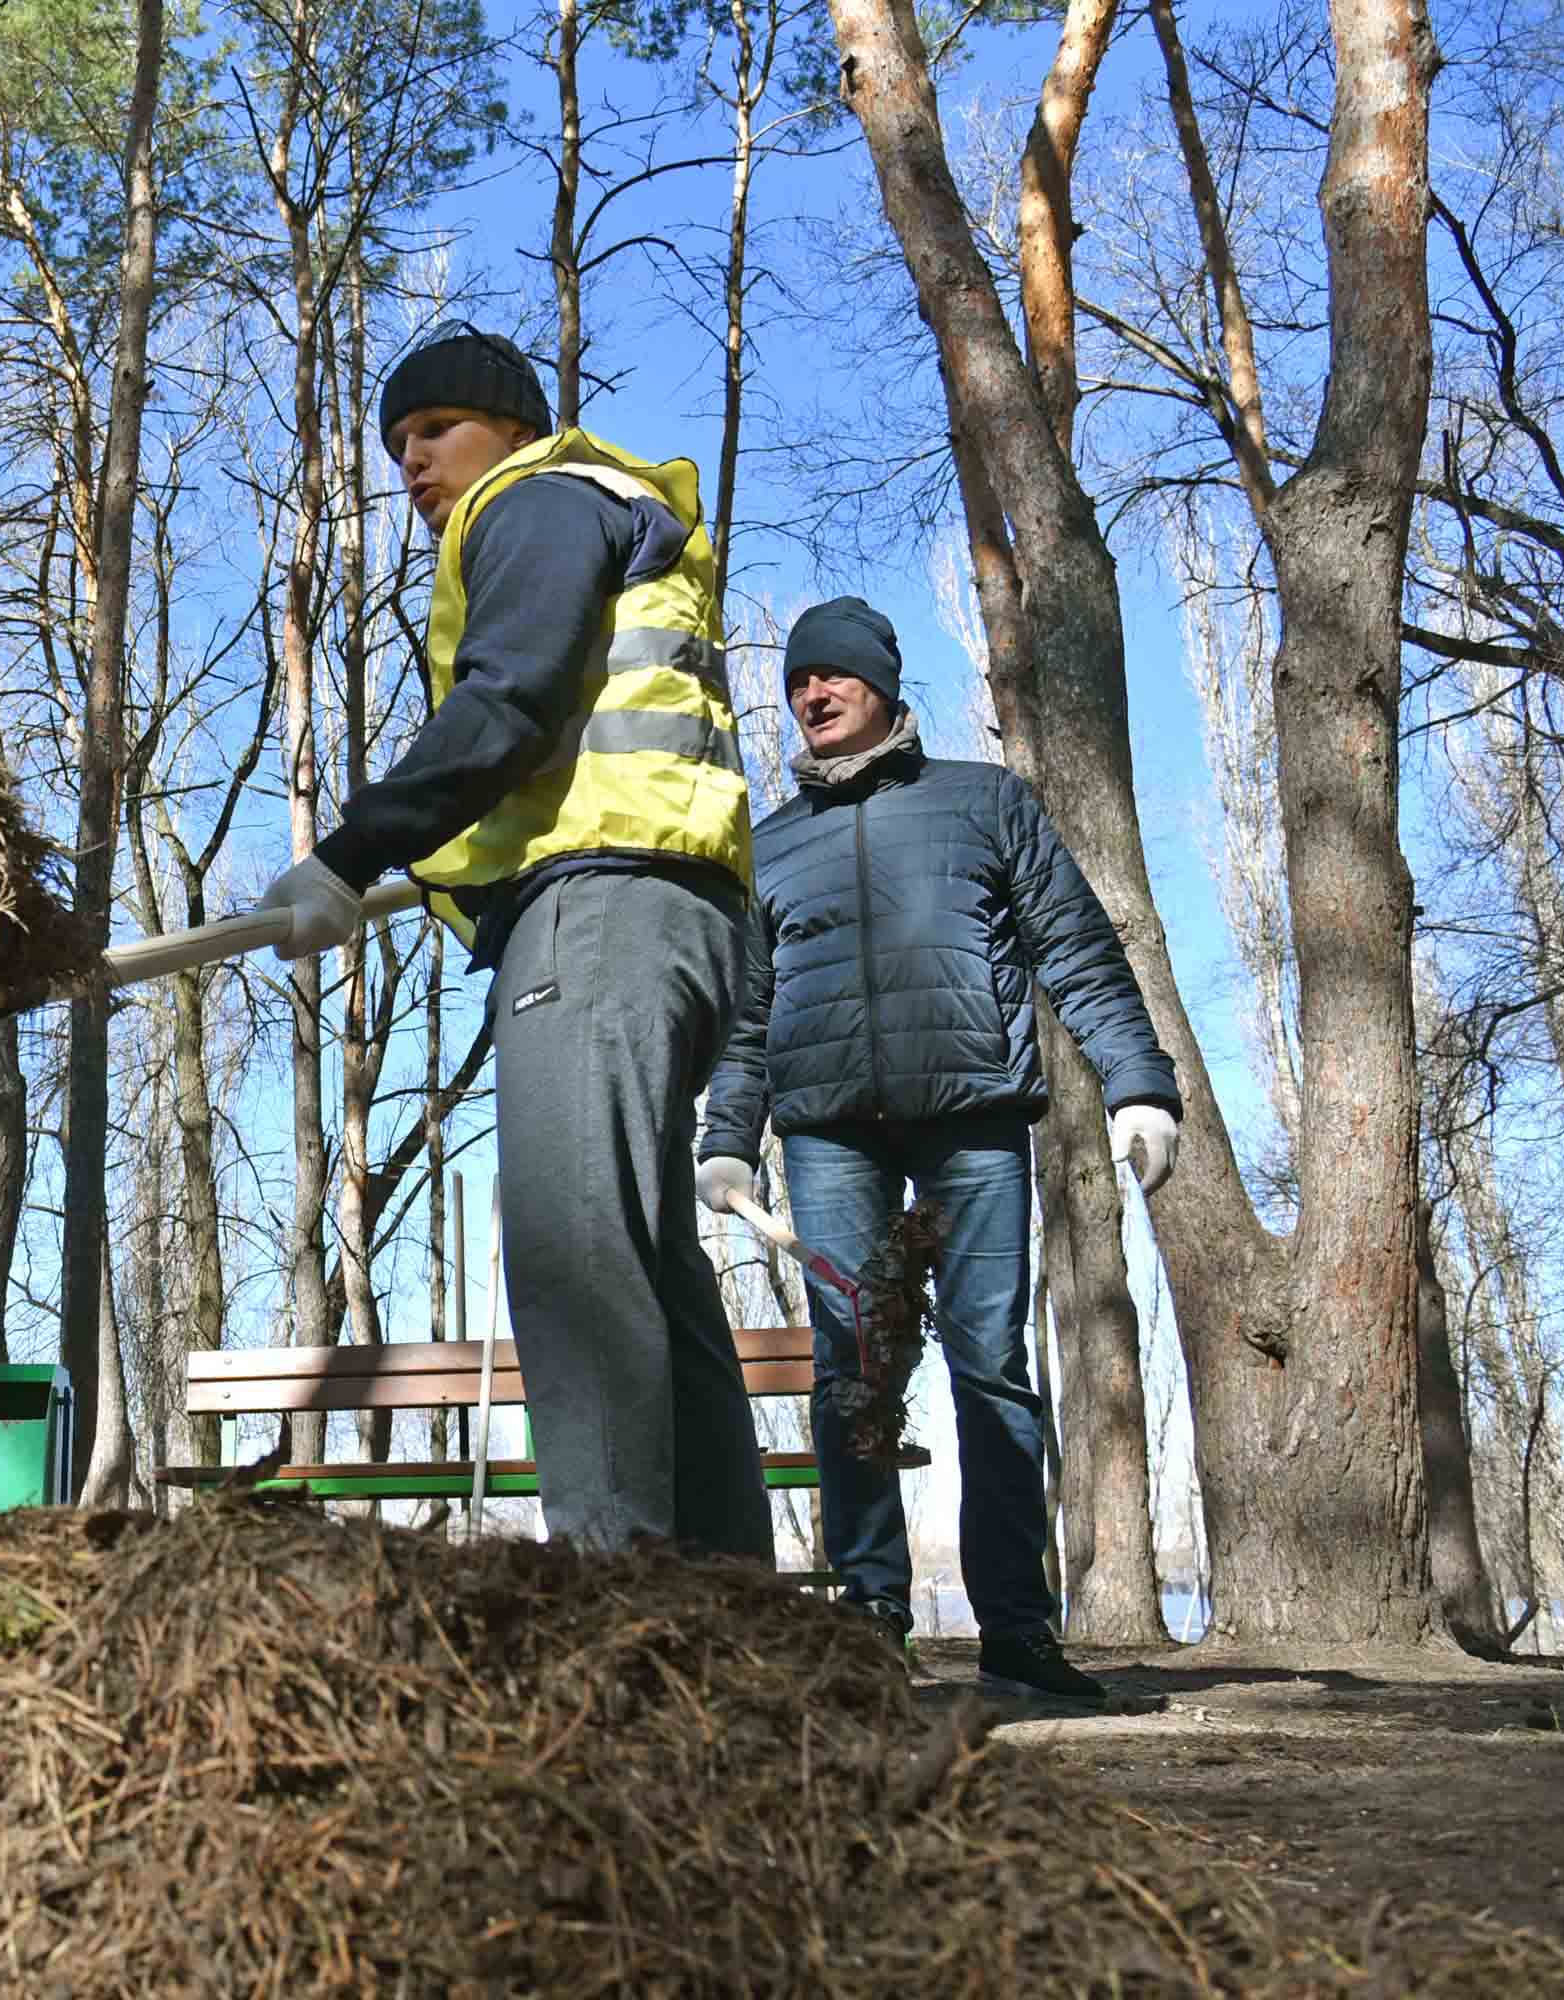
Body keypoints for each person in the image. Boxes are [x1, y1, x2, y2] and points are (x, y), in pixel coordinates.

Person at [254, 324, 770, 1560]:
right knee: (648, 1260)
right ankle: (727, 1612)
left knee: (575, 1249)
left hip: (598, 916)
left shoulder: (533, 500)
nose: (413, 466)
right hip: (677, 916)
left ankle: (618, 1603)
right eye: (397, 447)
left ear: (511, 425)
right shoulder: (611, 512)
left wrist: (350, 849)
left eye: (434, 432)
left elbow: (510, 697)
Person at [694, 596, 1180, 1705]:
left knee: (991, 1368)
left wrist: (1138, 1084)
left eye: (832, 677)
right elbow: (747, 1016)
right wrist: (729, 1140)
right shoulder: (767, 845)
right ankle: (871, 1622)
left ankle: (1017, 1626)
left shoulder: (984, 801)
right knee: (849, 1376)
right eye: (797, 685)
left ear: (879, 682)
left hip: (971, 1121)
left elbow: (1077, 945)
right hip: (826, 1137)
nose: (811, 695)